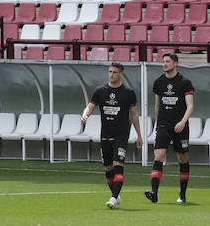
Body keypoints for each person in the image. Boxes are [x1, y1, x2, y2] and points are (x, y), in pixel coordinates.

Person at [82, 62, 141, 209]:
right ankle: (116, 193)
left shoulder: (128, 92)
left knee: (118, 164)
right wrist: (85, 115)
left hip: (121, 134)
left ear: (121, 74)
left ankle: (113, 198)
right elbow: (90, 106)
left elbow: (134, 114)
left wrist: (139, 135)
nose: (111, 74)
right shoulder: (100, 91)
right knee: (108, 168)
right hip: (106, 134)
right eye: (110, 72)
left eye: (114, 72)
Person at [147, 52, 195, 204]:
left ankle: (182, 194)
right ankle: (154, 193)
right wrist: (158, 123)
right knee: (158, 156)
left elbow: (190, 106)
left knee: (183, 158)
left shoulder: (185, 82)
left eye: (167, 61)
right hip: (163, 126)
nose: (164, 64)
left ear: (175, 64)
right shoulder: (158, 82)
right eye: (163, 62)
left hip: (180, 126)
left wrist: (182, 122)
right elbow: (157, 105)